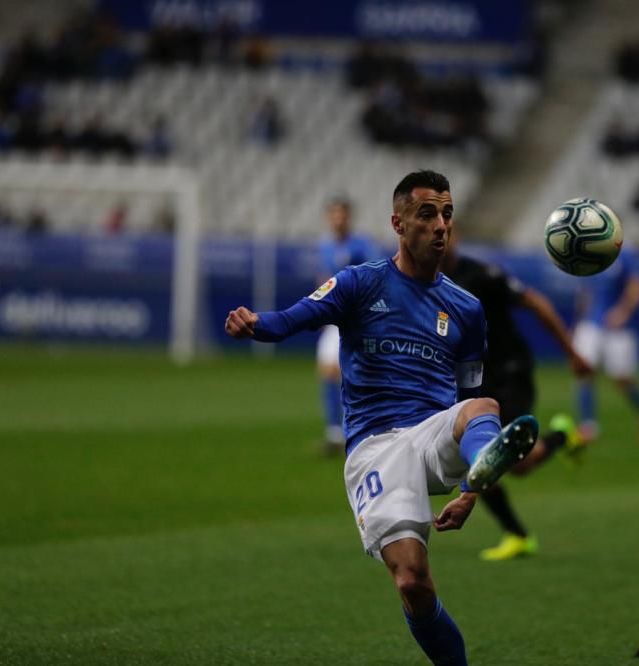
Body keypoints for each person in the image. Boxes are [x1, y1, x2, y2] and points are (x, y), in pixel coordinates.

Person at [225, 170, 538, 665]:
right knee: (413, 581)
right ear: (398, 222)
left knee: (485, 406)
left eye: (448, 215)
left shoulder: (467, 308)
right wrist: (252, 324)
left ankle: (484, 465)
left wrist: (471, 491)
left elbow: (470, 396)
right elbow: (291, 320)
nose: (441, 225)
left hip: (432, 434)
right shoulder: (359, 283)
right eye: (427, 214)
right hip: (375, 447)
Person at [442, 233, 593, 561]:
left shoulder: (483, 275)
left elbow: (537, 303)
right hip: (473, 382)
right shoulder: (425, 284)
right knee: (482, 458)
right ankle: (518, 534)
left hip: (510, 372)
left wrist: (571, 352)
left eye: (446, 233)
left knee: (507, 462)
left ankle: (559, 438)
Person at [573, 245, 639, 443]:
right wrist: (579, 320)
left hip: (617, 327)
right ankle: (588, 426)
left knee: (623, 378)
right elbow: (586, 291)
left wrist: (623, 311)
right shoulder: (589, 254)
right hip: (591, 323)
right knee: (583, 370)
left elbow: (637, 286)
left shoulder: (626, 256)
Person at [314, 197, 381, 453]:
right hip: (334, 316)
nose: (338, 219)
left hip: (355, 317)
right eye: (334, 214)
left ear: (349, 217)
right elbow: (323, 279)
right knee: (327, 371)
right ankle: (334, 433)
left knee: (350, 373)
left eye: (342, 214)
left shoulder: (362, 245)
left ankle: (357, 430)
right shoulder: (325, 246)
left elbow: (374, 275)